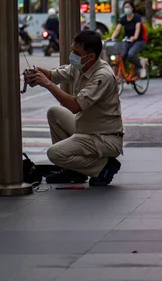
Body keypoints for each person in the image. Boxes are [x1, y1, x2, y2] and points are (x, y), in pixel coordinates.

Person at [26, 30, 124, 186]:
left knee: (54, 154)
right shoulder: (81, 66)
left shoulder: (102, 75)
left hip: (104, 137)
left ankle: (103, 167)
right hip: (86, 128)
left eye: (76, 52)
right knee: (54, 112)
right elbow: (54, 75)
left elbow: (75, 106)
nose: (72, 55)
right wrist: (37, 73)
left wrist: (46, 84)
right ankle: (72, 171)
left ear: (90, 56)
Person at [110, 1, 147, 78]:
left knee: (131, 55)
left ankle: (141, 66)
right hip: (127, 40)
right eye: (125, 7)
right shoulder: (123, 19)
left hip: (139, 41)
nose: (126, 9)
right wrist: (112, 38)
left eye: (128, 7)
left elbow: (137, 28)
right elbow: (117, 30)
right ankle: (122, 74)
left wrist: (135, 37)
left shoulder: (137, 17)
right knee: (122, 56)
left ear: (132, 8)